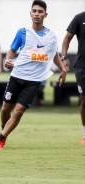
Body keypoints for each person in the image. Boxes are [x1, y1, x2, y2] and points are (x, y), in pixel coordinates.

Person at [0, 0, 67, 150]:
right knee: (6, 109)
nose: (37, 14)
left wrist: (63, 69)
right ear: (30, 14)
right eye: (34, 11)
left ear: (45, 14)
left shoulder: (51, 36)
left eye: (40, 12)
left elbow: (54, 55)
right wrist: (7, 60)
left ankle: (1, 138)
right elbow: (12, 50)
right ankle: (4, 128)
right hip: (17, 76)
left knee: (18, 111)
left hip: (34, 80)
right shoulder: (23, 32)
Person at [62, 11, 85, 144]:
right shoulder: (79, 18)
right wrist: (64, 57)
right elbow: (67, 38)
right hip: (82, 67)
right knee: (84, 101)